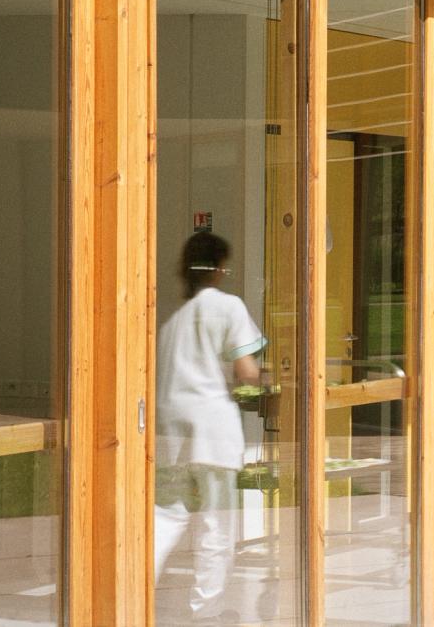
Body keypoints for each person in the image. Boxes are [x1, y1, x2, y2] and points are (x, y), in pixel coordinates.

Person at [153, 229, 266, 621]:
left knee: (167, 515)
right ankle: (207, 610)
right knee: (216, 524)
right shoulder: (228, 306)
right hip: (212, 431)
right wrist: (263, 378)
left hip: (171, 430)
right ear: (219, 269)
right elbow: (247, 372)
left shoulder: (172, 325)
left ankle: (136, 590)